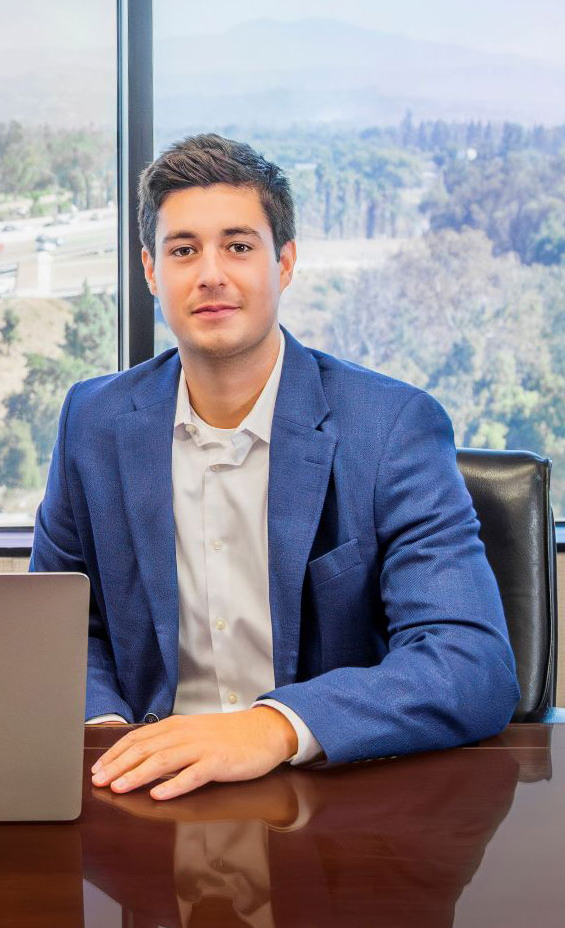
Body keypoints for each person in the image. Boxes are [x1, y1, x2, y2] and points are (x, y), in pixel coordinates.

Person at [30, 134, 518, 800]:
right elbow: (61, 626)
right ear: (150, 271)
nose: (210, 274)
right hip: (146, 793)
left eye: (238, 246)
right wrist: (105, 730)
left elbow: (471, 663)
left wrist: (274, 726)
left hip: (326, 797)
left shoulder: (389, 428)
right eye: (182, 250)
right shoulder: (92, 421)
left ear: (284, 263)